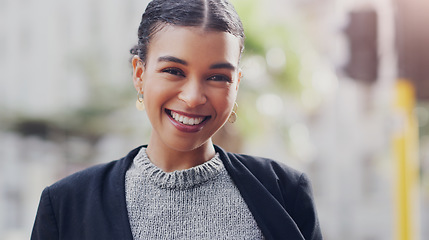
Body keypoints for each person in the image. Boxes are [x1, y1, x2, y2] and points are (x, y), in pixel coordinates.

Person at [31, 0, 322, 239]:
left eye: (218, 77)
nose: (193, 97)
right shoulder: (66, 205)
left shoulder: (285, 192)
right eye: (173, 70)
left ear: (236, 84)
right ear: (139, 74)